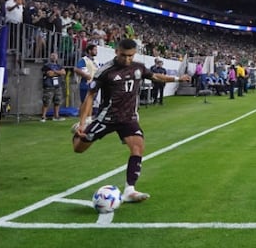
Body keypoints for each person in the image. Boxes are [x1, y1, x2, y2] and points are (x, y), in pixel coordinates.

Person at [72, 39, 190, 203]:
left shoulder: (138, 67)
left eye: (130, 56)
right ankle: (77, 132)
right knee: (78, 148)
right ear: (116, 52)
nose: (127, 59)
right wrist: (83, 122)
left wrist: (177, 79)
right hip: (107, 117)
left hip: (128, 118)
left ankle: (129, 190)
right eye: (124, 55)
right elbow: (90, 96)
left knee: (138, 147)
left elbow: (155, 76)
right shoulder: (105, 71)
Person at [40, 52, 66, 121]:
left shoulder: (59, 65)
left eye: (55, 56)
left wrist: (55, 71)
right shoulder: (46, 65)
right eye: (52, 55)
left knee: (57, 101)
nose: (54, 57)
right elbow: (49, 74)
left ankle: (56, 116)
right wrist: (58, 73)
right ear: (50, 57)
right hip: (49, 86)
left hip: (58, 86)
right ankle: (43, 116)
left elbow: (63, 72)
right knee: (46, 102)